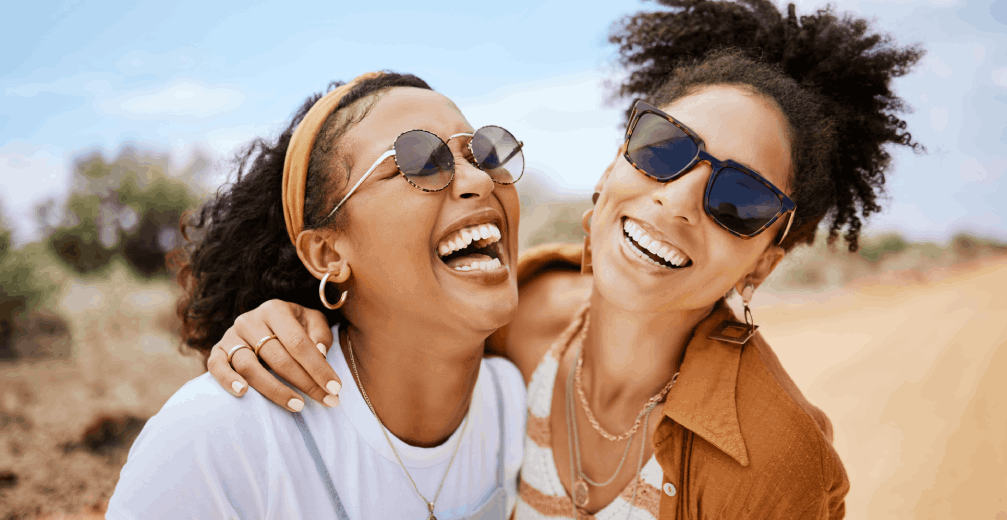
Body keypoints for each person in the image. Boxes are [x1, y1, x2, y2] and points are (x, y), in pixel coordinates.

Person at [205, 2, 924, 518]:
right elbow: (393, 312)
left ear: (763, 262)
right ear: (613, 167)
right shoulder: (515, 322)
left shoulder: (769, 461)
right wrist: (282, 319)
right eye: (662, 150)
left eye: (739, 200)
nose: (677, 201)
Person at [107, 72, 530, 519]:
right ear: (327, 253)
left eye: (483, 154)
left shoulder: (518, 402)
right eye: (419, 160)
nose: (479, 181)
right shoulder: (219, 439)